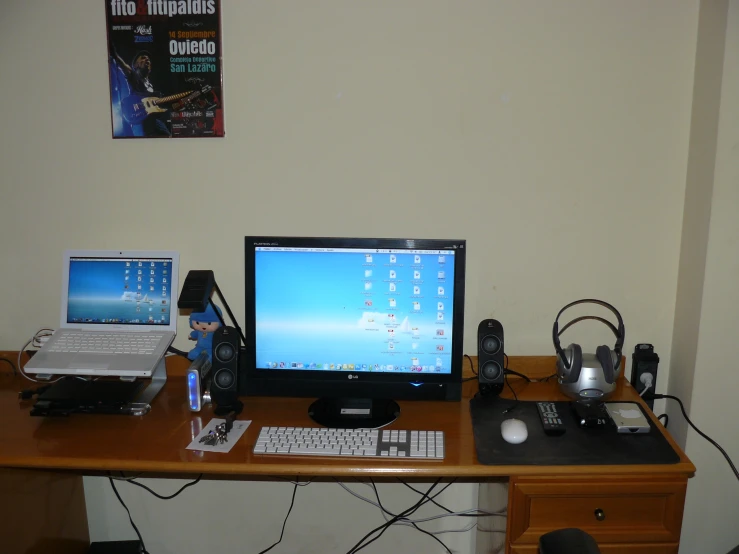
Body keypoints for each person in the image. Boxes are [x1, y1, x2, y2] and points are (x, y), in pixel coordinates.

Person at [109, 44, 171, 137]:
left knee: (168, 136)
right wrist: (115, 55)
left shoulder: (151, 85)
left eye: (149, 59)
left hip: (154, 120)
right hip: (140, 120)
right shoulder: (134, 76)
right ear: (135, 65)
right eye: (143, 58)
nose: (147, 60)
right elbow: (124, 66)